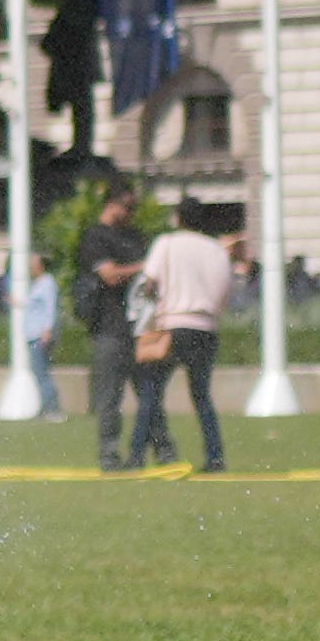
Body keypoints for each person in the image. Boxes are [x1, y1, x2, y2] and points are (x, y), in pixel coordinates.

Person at [126, 198, 234, 472]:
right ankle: (215, 457)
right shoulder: (216, 249)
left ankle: (136, 455)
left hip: (173, 326)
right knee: (201, 396)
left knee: (151, 392)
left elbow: (149, 283)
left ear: (178, 218)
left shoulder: (167, 243)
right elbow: (224, 291)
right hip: (206, 327)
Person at [76, 178, 148, 472]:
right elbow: (110, 275)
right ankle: (109, 456)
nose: (132, 213)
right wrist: (145, 267)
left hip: (140, 329)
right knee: (109, 399)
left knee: (149, 396)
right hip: (109, 328)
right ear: (113, 203)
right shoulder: (95, 238)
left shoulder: (136, 237)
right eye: (128, 206)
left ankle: (158, 451)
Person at [19, 252, 63, 420]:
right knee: (39, 372)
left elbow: (50, 308)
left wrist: (47, 330)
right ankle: (45, 407)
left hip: (40, 335)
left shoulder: (47, 283)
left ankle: (52, 409)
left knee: (42, 372)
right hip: (34, 334)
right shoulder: (38, 284)